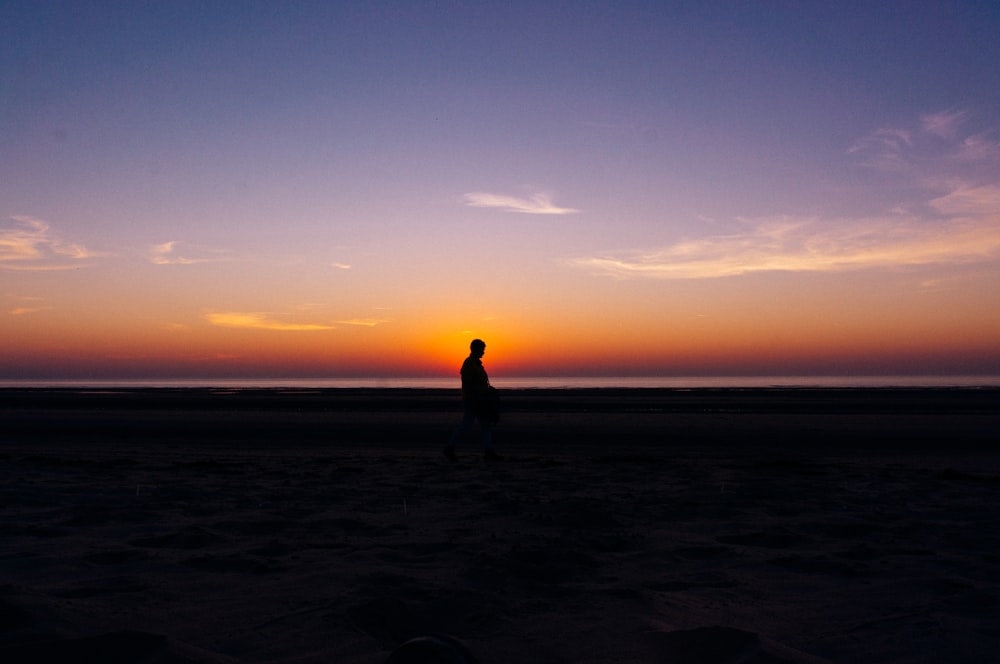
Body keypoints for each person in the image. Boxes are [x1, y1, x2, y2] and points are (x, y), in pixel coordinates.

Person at [444, 339, 501, 461]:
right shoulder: (469, 363)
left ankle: (488, 451)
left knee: (483, 425)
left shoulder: (476, 364)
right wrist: (474, 400)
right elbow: (468, 383)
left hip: (480, 400)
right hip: (474, 401)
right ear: (475, 349)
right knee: (467, 425)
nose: (483, 353)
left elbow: (479, 382)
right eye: (482, 350)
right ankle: (450, 448)